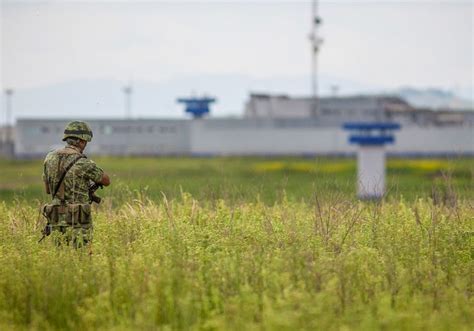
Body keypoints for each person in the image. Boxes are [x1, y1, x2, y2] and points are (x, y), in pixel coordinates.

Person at [41, 121, 110, 247]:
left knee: (59, 257)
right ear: (81, 141)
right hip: (78, 219)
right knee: (81, 257)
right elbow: (106, 180)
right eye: (86, 142)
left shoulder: (49, 158)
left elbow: (48, 190)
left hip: (56, 217)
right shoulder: (83, 162)